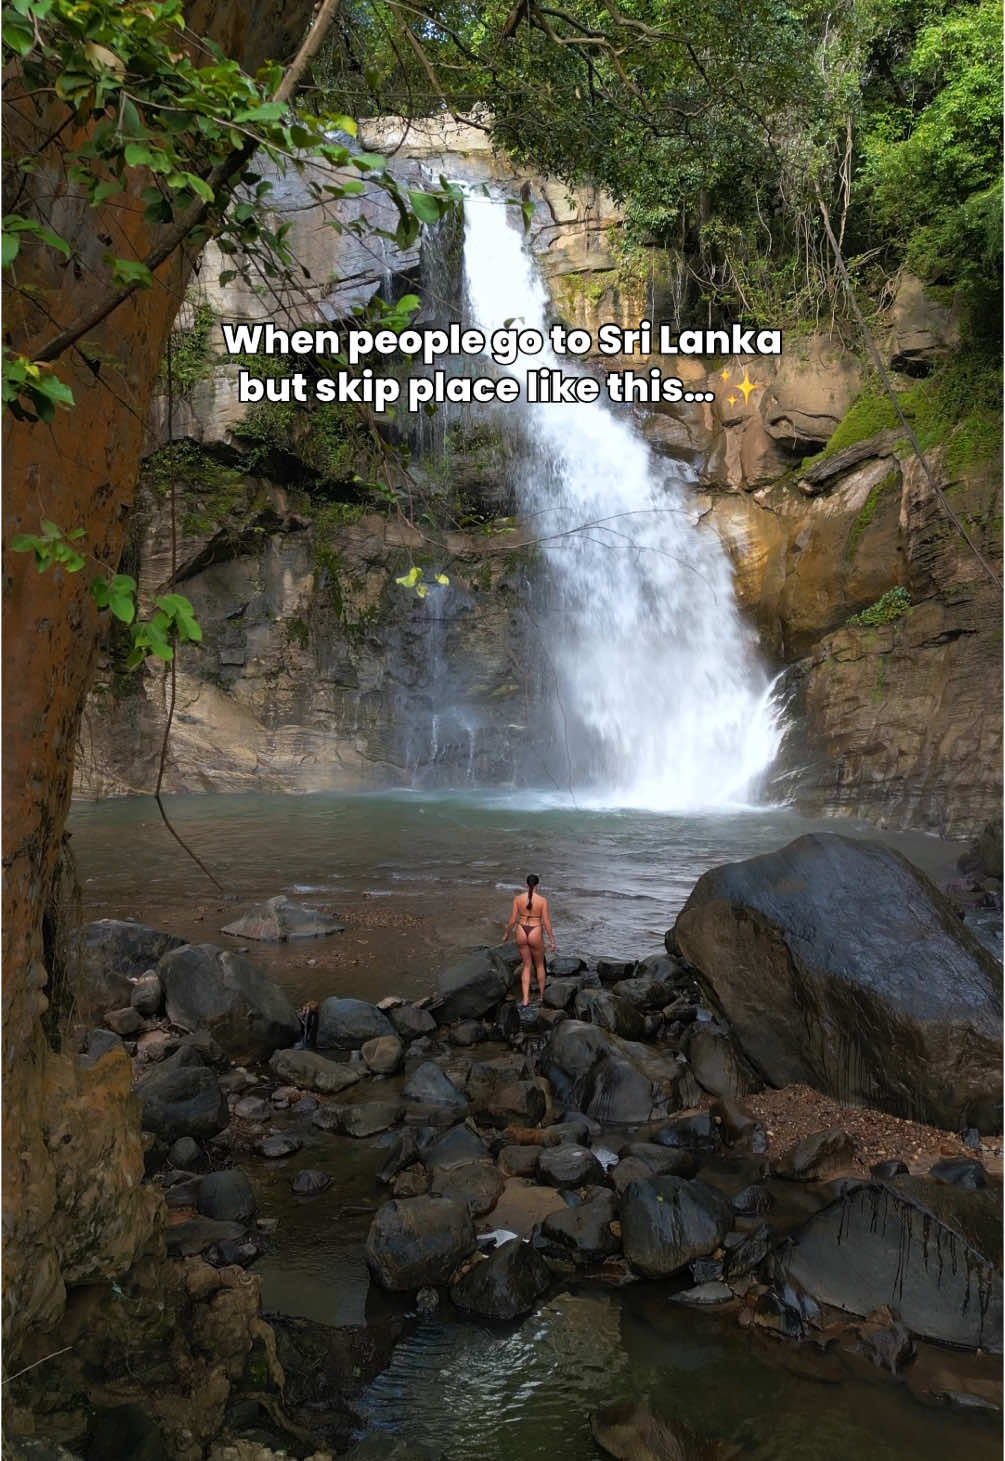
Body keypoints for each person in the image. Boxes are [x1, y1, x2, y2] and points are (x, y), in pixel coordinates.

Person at [503, 873, 557, 1006]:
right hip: (535, 930)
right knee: (539, 965)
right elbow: (546, 922)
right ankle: (541, 996)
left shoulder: (517, 899)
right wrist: (552, 940)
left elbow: (511, 921)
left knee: (526, 965)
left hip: (521, 930)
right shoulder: (542, 901)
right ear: (538, 885)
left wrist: (506, 934)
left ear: (526, 884)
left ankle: (525, 999)